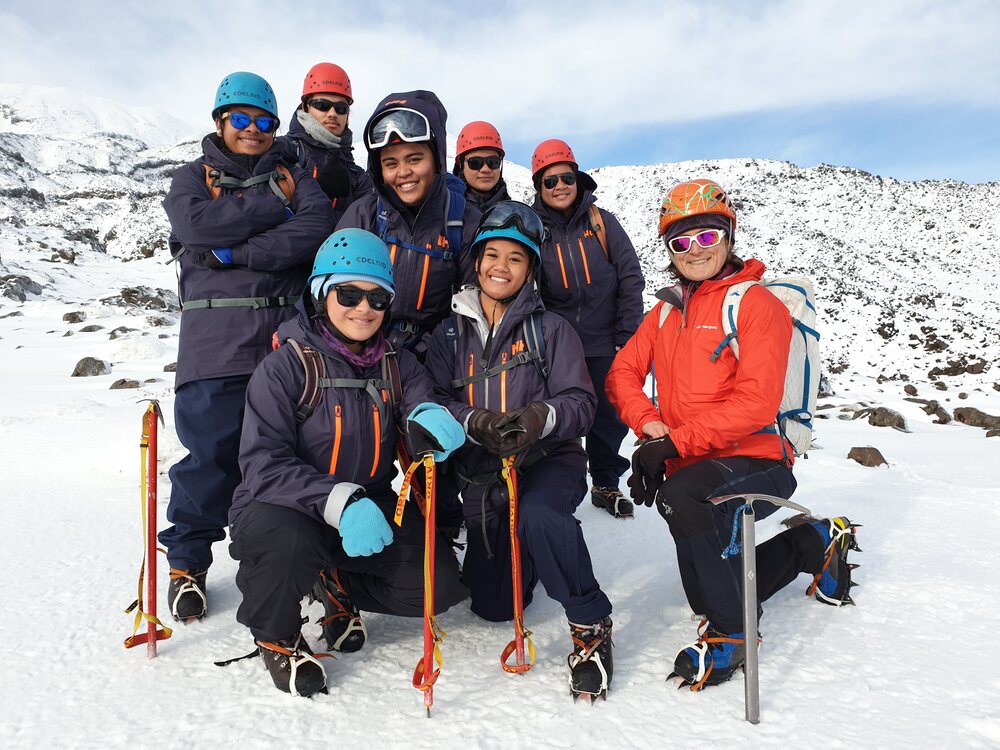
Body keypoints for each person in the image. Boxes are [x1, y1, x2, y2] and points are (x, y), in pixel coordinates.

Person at [606, 178, 861, 691]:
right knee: (706, 589)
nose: (695, 250)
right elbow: (621, 376)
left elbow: (755, 404)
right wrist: (652, 429)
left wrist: (671, 446)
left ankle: (734, 636)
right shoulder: (664, 313)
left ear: (728, 234)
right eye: (681, 241)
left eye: (706, 236)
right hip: (695, 462)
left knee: (686, 499)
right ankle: (814, 542)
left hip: (762, 459)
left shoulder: (756, 305)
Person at [228, 228, 469, 697]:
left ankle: (333, 582)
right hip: (286, 506)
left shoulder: (396, 363)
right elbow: (263, 463)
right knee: (286, 547)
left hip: (369, 507)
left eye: (377, 298)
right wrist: (338, 500)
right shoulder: (286, 366)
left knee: (437, 587)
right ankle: (276, 635)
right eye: (349, 293)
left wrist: (430, 420)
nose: (364, 308)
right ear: (321, 292)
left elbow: (418, 401)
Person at [160, 71, 335, 621]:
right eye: (241, 119)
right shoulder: (193, 179)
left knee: (289, 456)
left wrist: (235, 253)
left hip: (284, 348)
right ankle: (188, 562)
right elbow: (195, 225)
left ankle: (292, 560)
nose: (253, 130)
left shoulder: (295, 176)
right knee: (211, 457)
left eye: (263, 121)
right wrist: (271, 209)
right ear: (220, 122)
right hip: (213, 349)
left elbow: (315, 228)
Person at [424, 201, 615, 701]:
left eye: (516, 258)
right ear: (476, 260)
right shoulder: (448, 333)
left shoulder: (552, 330)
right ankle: (523, 559)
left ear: (531, 269)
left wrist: (538, 418)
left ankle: (590, 623)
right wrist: (474, 421)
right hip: (484, 469)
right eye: (492, 255)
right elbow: (433, 398)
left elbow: (580, 402)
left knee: (539, 517)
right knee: (494, 605)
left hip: (549, 460)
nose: (501, 267)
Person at [530, 139, 644, 519]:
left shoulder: (602, 223)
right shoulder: (533, 230)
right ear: (538, 187)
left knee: (607, 417)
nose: (559, 186)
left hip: (605, 342)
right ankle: (560, 487)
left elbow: (630, 278)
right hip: (558, 346)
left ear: (578, 180)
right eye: (550, 181)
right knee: (563, 418)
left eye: (566, 177)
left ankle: (606, 483)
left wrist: (626, 339)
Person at [336, 90, 481, 359]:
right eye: (390, 163)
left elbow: (476, 308)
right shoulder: (364, 215)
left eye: (415, 159)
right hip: (363, 352)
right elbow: (328, 289)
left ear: (436, 158)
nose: (403, 172)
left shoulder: (464, 221)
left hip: (437, 358)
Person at [283, 62, 374, 226]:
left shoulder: (356, 175)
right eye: (322, 105)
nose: (332, 114)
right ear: (306, 107)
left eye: (341, 108)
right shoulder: (282, 152)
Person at [452, 120, 511, 212]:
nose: (485, 169)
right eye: (475, 163)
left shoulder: (515, 215)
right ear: (460, 165)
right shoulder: (444, 211)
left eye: (493, 162)